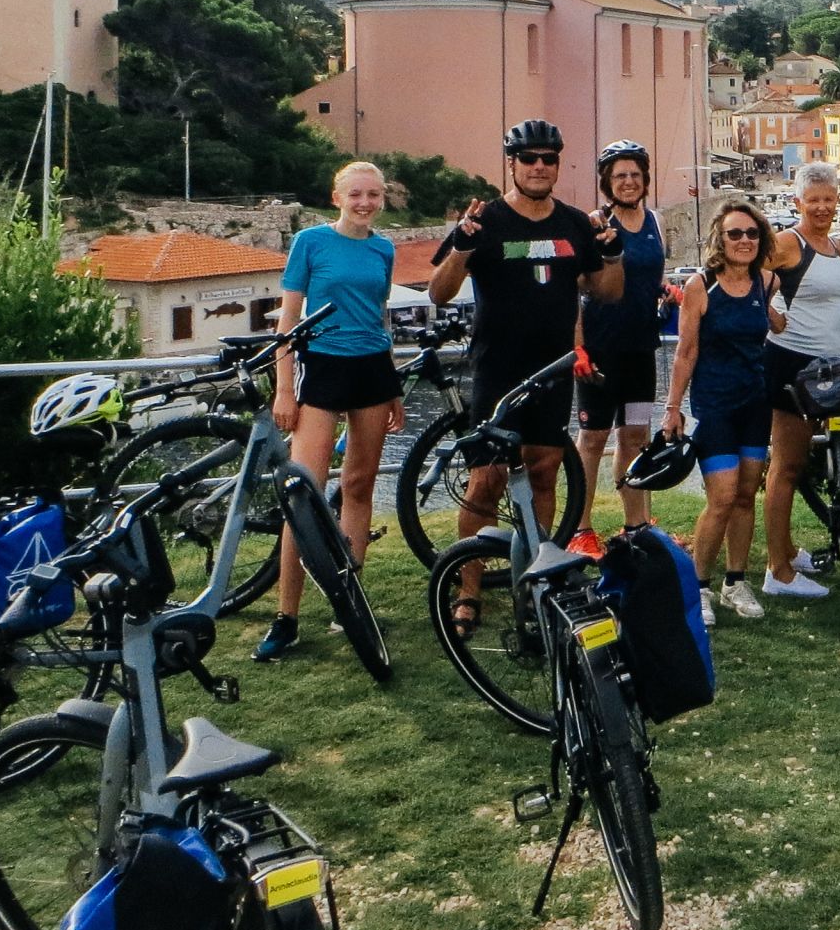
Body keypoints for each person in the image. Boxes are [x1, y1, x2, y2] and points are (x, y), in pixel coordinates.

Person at [430, 119, 621, 636]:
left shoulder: (576, 223)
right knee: (486, 481)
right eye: (529, 158)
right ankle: (468, 591)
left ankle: (536, 578)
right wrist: (462, 248)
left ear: (559, 163)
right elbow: (438, 292)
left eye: (549, 158)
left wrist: (612, 250)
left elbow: (608, 291)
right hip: (498, 368)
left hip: (553, 370)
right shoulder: (485, 219)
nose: (540, 166)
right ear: (511, 164)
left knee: (542, 472)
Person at [258, 160, 405, 662]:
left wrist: (394, 387)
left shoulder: (385, 248)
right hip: (320, 369)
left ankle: (350, 601)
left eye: (374, 195)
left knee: (360, 485)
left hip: (372, 372)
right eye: (356, 194)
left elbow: (378, 318)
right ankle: (287, 616)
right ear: (337, 197)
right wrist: (283, 389)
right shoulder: (310, 243)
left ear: (382, 199)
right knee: (304, 494)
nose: (365, 203)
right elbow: (287, 320)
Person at [662, 200, 785, 622]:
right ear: (721, 238)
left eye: (752, 234)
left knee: (747, 495)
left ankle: (736, 581)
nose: (744, 241)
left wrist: (776, 311)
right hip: (714, 406)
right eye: (735, 234)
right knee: (721, 498)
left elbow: (776, 326)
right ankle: (698, 588)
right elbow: (686, 351)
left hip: (756, 403)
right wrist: (673, 407)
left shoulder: (766, 282)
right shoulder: (700, 285)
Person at [760, 163, 840, 602]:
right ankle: (776, 572)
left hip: (831, 369)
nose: (821, 206)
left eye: (828, 198)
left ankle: (788, 550)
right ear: (798, 202)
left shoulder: (833, 246)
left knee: (799, 464)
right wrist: (769, 314)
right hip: (792, 366)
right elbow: (743, 272)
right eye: (812, 199)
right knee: (786, 466)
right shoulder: (788, 242)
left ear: (838, 200)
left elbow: (838, 291)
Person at [575, 140, 671, 546]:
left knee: (635, 435)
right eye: (620, 176)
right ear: (607, 182)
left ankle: (636, 526)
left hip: (640, 348)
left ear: (645, 179)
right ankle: (580, 528)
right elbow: (576, 288)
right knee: (593, 439)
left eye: (635, 174)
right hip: (600, 347)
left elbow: (651, 276)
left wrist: (667, 292)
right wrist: (577, 347)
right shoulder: (594, 224)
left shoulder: (656, 221)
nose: (628, 182)